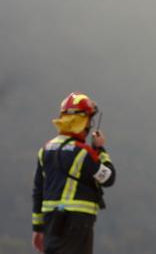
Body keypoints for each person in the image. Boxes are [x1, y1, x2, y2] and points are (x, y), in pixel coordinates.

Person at [31, 92, 115, 254]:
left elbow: (38, 192)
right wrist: (100, 150)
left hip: (51, 222)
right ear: (84, 122)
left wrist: (37, 228)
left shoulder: (45, 149)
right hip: (77, 223)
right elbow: (108, 178)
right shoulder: (84, 152)